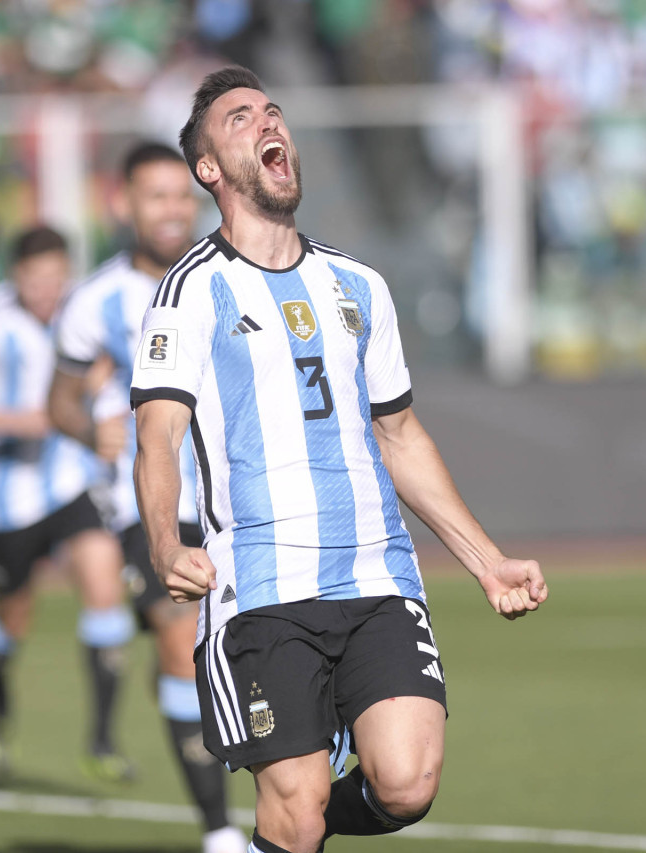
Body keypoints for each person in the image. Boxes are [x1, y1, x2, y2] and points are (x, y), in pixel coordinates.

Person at [130, 67, 549, 853]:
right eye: (240, 118)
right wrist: (162, 541)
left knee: (408, 781)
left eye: (272, 111)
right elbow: (156, 438)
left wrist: (486, 560)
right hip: (260, 590)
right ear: (209, 169)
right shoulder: (189, 292)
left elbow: (401, 437)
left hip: (375, 576)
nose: (267, 121)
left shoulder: (359, 285)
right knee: (296, 808)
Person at [48, 143, 247, 853]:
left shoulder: (231, 278)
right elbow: (61, 401)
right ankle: (220, 830)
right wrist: (87, 426)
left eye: (177, 194)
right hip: (149, 505)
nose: (169, 208)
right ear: (124, 205)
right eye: (153, 196)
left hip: (241, 498)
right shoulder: (95, 301)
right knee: (177, 636)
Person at [0, 225, 136, 781]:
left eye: (56, 277)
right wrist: (16, 420)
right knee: (13, 618)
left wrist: (102, 408)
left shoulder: (83, 312)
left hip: (71, 481)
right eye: (36, 279)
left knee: (104, 588)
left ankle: (103, 739)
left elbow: (107, 372)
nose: (47, 290)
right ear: (15, 276)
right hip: (6, 497)